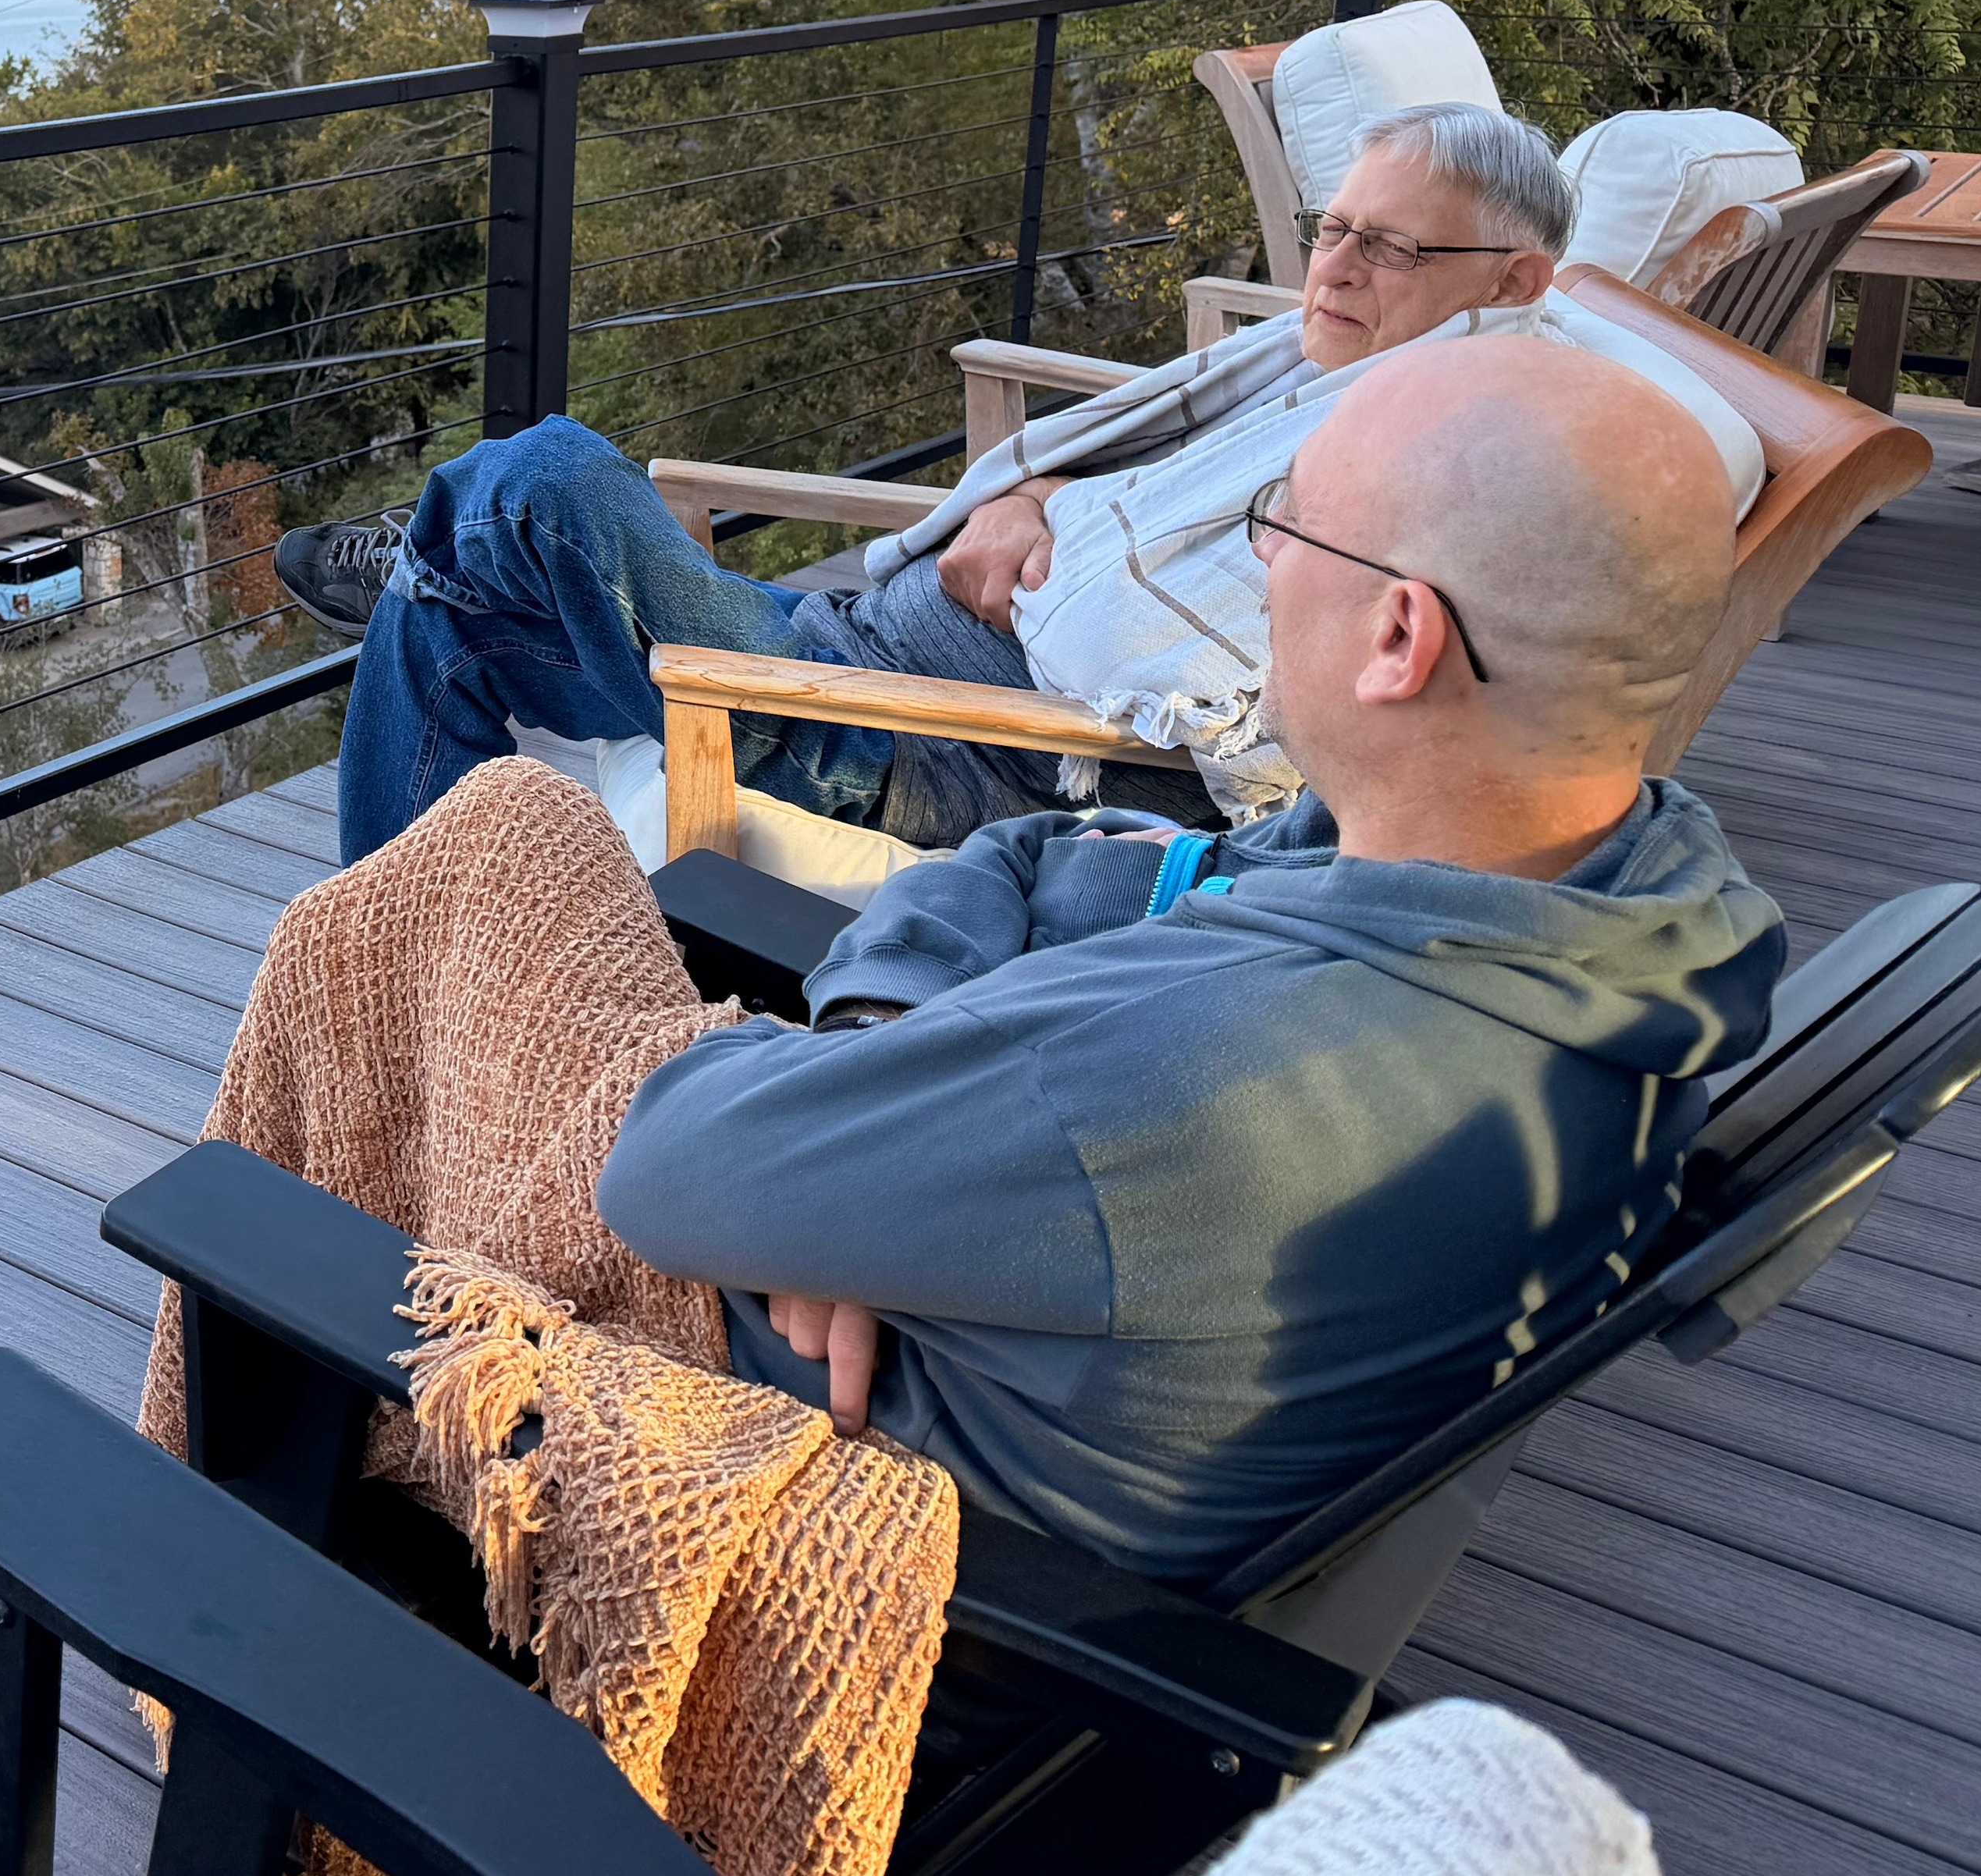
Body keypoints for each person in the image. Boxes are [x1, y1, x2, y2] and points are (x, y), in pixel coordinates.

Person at [594, 334, 1780, 1585]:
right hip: (1031, 1291)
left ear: (1399, 637)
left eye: (1290, 523)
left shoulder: (1197, 1076)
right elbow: (1040, 850)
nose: (1264, 561)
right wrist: (872, 1056)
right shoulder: (1615, 916)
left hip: (855, 1516)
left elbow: (658, 1166)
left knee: (514, 835)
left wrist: (827, 1182)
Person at [287, 99, 1762, 863]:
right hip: (838, 650)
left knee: (541, 480)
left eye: (1390, 246)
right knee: (456, 612)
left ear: (1516, 282)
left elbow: (1212, 706)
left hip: (915, 748)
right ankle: (399, 944)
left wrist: (1060, 538)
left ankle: (422, 610)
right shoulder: (1317, 370)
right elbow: (1139, 510)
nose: (1335, 262)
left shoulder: (1439, 459)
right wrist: (1037, 500)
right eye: (1332, 224)